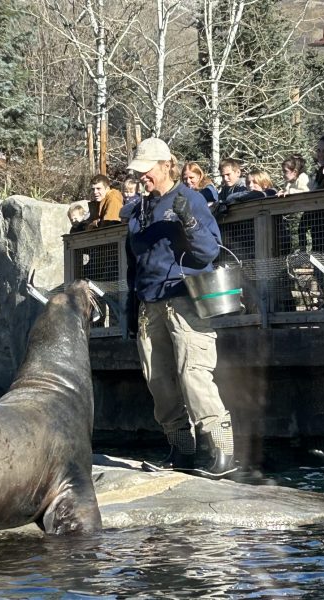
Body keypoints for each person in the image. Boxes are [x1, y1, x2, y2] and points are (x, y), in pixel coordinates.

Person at [125, 137, 238, 481]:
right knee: (158, 379)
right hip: (149, 301)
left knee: (194, 374)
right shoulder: (140, 209)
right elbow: (135, 262)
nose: (142, 177)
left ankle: (222, 452)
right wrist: (131, 305)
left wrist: (188, 221)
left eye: (146, 171)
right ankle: (182, 450)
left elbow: (207, 253)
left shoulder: (189, 199)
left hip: (184, 298)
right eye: (138, 172)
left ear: (166, 165)